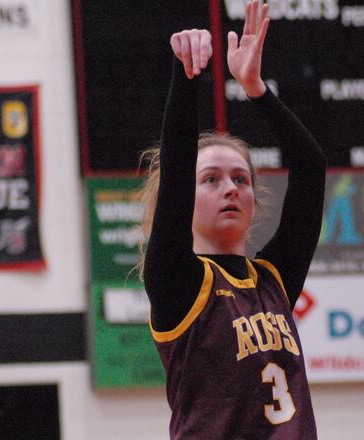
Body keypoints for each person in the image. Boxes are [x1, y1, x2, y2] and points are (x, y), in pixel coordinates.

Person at [137, 1, 326, 438]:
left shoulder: (273, 280)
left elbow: (311, 167)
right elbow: (177, 173)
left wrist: (256, 89)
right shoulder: (178, 283)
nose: (231, 188)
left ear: (255, 200)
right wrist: (186, 76)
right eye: (211, 179)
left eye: (241, 178)